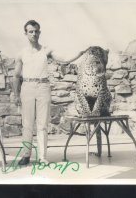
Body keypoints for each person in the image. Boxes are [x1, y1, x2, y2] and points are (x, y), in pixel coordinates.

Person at [13, 20, 84, 165]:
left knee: (42, 124)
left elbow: (63, 60)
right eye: (31, 31)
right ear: (25, 33)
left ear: (40, 32)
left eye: (36, 31)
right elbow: (16, 76)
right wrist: (15, 94)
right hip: (27, 87)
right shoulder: (21, 53)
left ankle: (42, 157)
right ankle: (26, 155)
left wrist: (78, 54)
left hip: (43, 87)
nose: (34, 34)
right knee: (27, 123)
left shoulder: (46, 50)